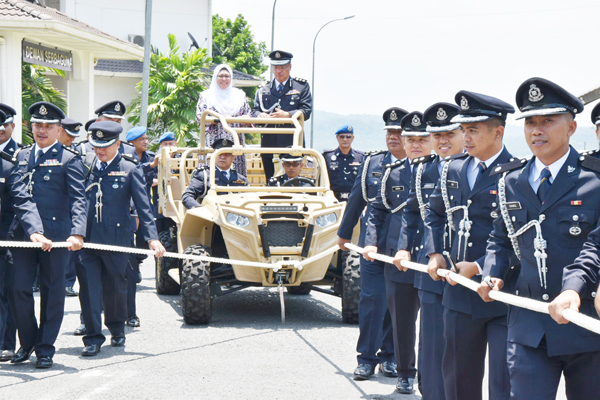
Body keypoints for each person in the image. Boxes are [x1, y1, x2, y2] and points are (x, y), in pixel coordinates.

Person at [479, 77, 600, 400]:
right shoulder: (510, 181)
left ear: (572, 127)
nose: (537, 130)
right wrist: (493, 273)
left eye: (548, 121)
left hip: (585, 325)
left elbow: (597, 247)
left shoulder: (594, 180)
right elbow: (500, 240)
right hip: (528, 325)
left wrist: (573, 291)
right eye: (530, 122)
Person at [423, 91, 515, 400]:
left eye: (473, 129)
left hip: (504, 294)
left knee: (504, 384)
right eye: (464, 130)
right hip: (459, 293)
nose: (466, 136)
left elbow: (518, 235)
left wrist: (478, 265)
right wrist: (435, 252)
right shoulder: (452, 168)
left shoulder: (518, 173)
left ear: (498, 132)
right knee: (459, 379)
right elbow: (434, 213)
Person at [8, 101, 87, 369]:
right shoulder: (21, 156)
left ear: (58, 129)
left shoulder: (70, 159)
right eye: (37, 125)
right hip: (24, 236)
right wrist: (34, 231)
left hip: (57, 238)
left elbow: (79, 199)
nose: (42, 130)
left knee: (53, 292)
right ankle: (28, 341)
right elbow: (20, 196)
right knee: (18, 289)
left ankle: (45, 348)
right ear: (31, 127)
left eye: (48, 126)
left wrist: (77, 232)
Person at [75, 121, 165, 357]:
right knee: (89, 290)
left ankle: (116, 328)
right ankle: (93, 337)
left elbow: (145, 208)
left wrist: (151, 239)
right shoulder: (86, 166)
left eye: (104, 146)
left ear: (117, 144)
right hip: (88, 240)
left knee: (115, 288)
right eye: (95, 146)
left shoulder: (129, 168)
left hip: (116, 240)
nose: (99, 151)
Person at [393, 102, 463, 399]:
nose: (443, 141)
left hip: (468, 271)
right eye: (437, 135)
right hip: (430, 270)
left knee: (461, 349)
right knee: (432, 344)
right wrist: (403, 248)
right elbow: (412, 213)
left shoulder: (482, 169)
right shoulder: (423, 170)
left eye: (450, 133)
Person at [362, 111, 432, 394]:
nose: (415, 144)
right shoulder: (393, 173)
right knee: (401, 319)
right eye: (410, 139)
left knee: (431, 323)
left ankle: (428, 377)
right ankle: (405, 372)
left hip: (430, 259)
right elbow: (377, 211)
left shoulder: (443, 172)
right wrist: (370, 242)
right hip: (396, 258)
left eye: (421, 139)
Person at [337, 107, 408, 381]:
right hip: (372, 246)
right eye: (389, 132)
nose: (393, 137)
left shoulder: (419, 166)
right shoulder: (372, 163)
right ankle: (366, 358)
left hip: (403, 248)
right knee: (372, 302)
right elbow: (357, 199)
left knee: (396, 305)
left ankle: (389, 357)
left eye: (399, 132)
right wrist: (344, 235)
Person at [252, 51, 312, 180]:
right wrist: (260, 115)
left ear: (289, 67)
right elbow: (254, 111)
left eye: (282, 67)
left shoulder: (301, 86)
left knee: (292, 180)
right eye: (276, 67)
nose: (278, 71)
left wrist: (288, 115)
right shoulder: (263, 89)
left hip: (292, 142)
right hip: (269, 142)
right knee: (271, 180)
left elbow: (306, 111)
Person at [196, 64, 251, 177]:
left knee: (237, 177)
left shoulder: (239, 95)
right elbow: (200, 118)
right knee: (210, 175)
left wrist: (242, 119)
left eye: (227, 76)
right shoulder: (206, 96)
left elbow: (249, 117)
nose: (224, 79)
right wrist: (220, 119)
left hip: (236, 142)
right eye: (221, 76)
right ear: (215, 77)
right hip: (212, 142)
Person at [0, 104, 22, 362]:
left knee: (6, 291)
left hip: (9, 235)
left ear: (11, 127)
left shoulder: (20, 157)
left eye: (3, 127)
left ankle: (6, 343)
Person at [182, 139, 248, 210]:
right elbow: (187, 196)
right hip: (211, 216)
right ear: (214, 155)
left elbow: (249, 198)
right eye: (220, 154)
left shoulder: (240, 178)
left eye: (227, 154)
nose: (223, 157)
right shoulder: (204, 175)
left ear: (233, 157)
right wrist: (200, 210)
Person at [58, 118, 84, 297]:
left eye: (75, 136)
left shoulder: (74, 154)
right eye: (69, 135)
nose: (72, 139)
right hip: (53, 211)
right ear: (59, 131)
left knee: (70, 252)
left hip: (69, 210)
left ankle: (68, 282)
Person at [322, 125, 364, 201]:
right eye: (342, 137)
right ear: (337, 137)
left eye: (348, 137)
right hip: (332, 200)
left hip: (354, 200)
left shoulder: (360, 157)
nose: (345, 139)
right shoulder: (327, 156)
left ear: (353, 138)